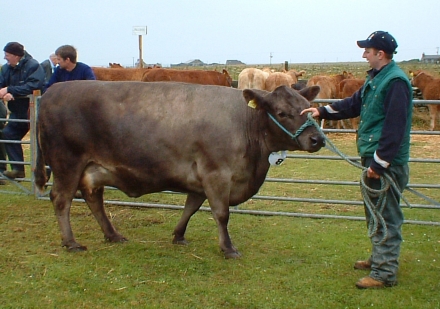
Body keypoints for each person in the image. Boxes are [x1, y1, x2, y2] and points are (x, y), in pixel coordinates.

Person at [301, 31, 413, 289]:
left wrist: (380, 162)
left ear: (380, 54)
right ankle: (378, 259)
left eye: (367, 51)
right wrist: (321, 110)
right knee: (376, 212)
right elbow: (354, 103)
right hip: (373, 157)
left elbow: (395, 126)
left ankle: (384, 274)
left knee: (386, 215)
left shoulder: (395, 82)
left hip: (385, 162)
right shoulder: (377, 79)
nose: (364, 55)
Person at [0, 42, 45, 179]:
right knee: (8, 134)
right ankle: (18, 169)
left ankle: (46, 175)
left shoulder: (33, 66)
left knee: (42, 144)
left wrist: (10, 90)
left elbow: (34, 85)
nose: (5, 58)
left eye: (7, 55)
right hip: (18, 111)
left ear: (16, 56)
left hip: (35, 112)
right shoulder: (7, 69)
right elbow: (2, 84)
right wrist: (4, 92)